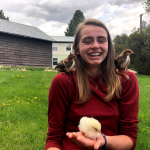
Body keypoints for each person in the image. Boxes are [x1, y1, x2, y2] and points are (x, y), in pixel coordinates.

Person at [45, 18, 139, 150]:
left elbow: (130, 138)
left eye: (101, 40)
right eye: (87, 41)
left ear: (108, 46)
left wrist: (103, 141)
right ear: (76, 49)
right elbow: (54, 138)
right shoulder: (63, 81)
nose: (95, 45)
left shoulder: (126, 79)